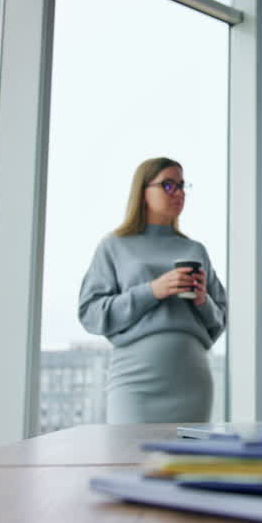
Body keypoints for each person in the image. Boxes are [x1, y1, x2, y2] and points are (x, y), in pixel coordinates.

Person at [79, 157, 227, 423]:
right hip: (135, 381)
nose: (179, 193)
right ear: (143, 192)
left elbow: (220, 321)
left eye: (182, 186)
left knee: (188, 463)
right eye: (168, 185)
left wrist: (203, 301)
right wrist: (153, 291)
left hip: (192, 380)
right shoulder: (114, 246)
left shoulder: (195, 250)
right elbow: (90, 312)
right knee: (129, 461)